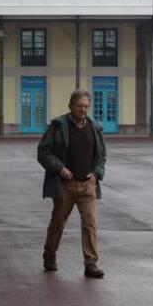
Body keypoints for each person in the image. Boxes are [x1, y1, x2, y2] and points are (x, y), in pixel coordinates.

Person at [37, 89, 107, 279]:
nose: (83, 110)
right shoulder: (58, 126)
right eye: (79, 106)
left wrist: (96, 173)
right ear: (71, 106)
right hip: (65, 185)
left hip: (88, 185)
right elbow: (43, 151)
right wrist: (60, 168)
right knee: (58, 223)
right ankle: (49, 254)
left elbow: (102, 155)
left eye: (86, 106)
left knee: (90, 223)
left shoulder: (95, 128)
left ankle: (91, 264)